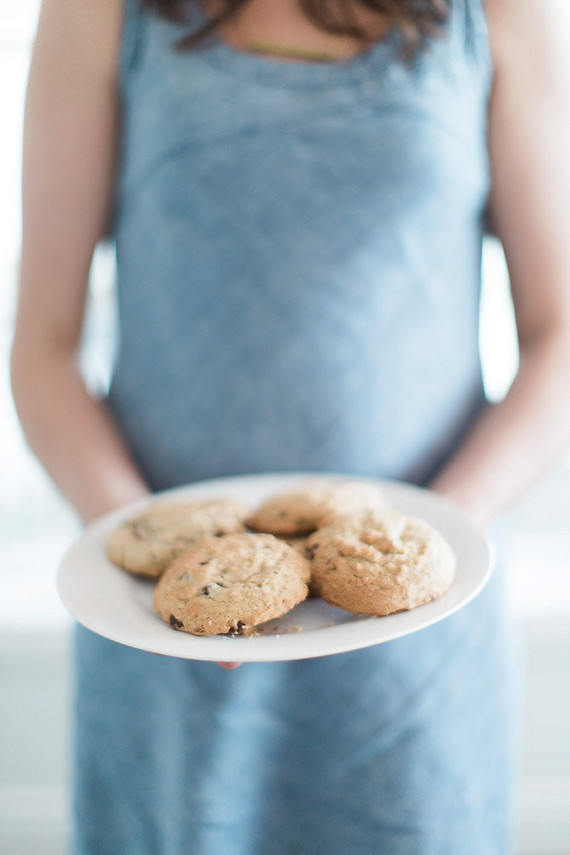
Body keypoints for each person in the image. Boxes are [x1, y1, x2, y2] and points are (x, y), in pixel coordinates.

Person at [10, 0, 570, 852]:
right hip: (165, 651)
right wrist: (137, 546)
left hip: (416, 662)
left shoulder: (497, 13)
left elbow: (558, 335)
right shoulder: (97, 13)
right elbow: (43, 347)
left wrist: (433, 542)